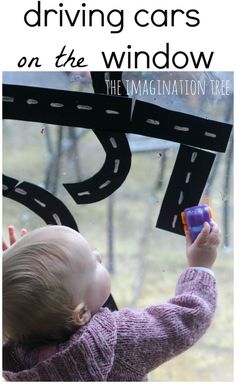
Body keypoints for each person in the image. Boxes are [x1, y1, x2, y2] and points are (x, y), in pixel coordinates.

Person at [2, 221, 221, 381]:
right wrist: (200, 266)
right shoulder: (119, 340)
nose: (98, 255)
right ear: (81, 314)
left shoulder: (15, 363)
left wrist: (11, 285)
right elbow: (187, 319)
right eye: (93, 265)